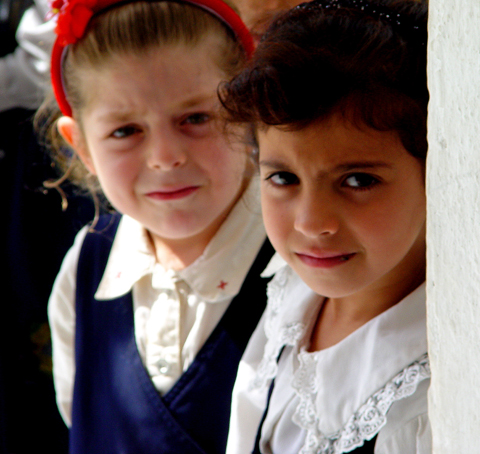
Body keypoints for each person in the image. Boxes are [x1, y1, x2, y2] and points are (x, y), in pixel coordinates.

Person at [39, 1, 273, 453]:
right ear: (81, 145)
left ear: (246, 109)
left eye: (196, 118)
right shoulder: (85, 268)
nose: (165, 156)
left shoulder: (302, 261)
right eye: (126, 131)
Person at [220, 0, 430, 453]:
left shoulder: (427, 391)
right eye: (283, 178)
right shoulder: (290, 298)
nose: (312, 223)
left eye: (357, 180)